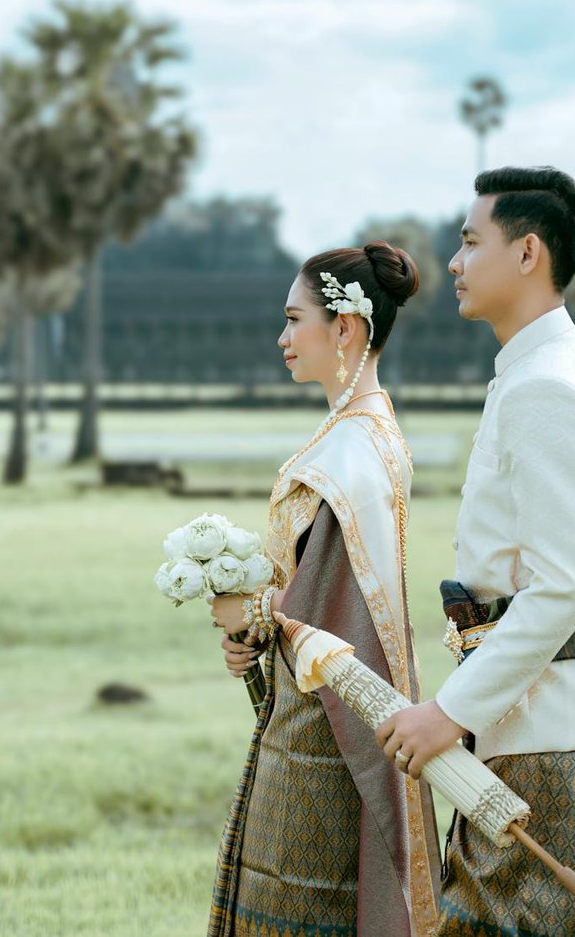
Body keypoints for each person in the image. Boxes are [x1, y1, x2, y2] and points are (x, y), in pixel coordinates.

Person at [376, 166, 575, 936]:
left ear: (526, 254)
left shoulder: (544, 386)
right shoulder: (570, 371)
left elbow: (559, 586)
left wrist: (448, 713)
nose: (453, 262)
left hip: (558, 740)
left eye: (469, 241)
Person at [208, 242, 440, 937]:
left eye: (294, 319)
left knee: (302, 909)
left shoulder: (351, 453)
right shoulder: (364, 433)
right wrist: (254, 632)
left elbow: (329, 608)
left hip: (324, 732)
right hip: (315, 710)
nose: (282, 338)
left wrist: (247, 611)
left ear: (346, 329)